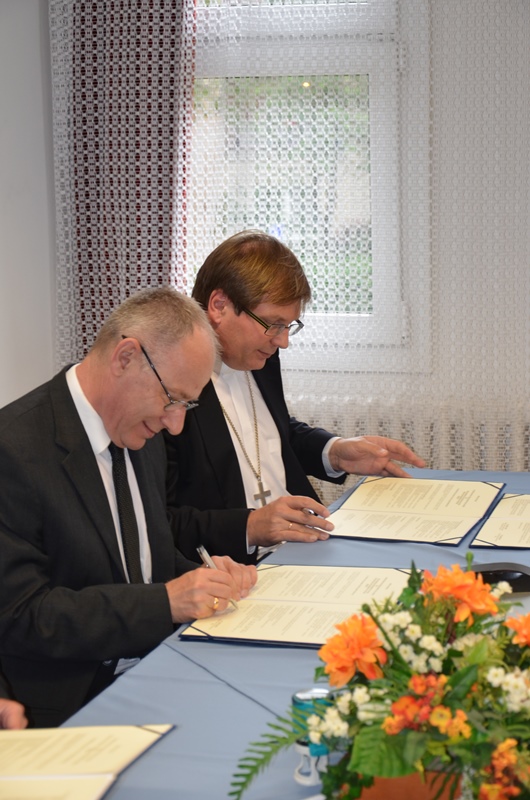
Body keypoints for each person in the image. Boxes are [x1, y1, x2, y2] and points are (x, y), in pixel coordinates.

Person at [0, 287, 257, 728]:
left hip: (160, 665)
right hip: (70, 706)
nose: (176, 425)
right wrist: (166, 603)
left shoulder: (139, 430)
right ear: (125, 358)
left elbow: (141, 561)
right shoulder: (14, 450)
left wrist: (204, 576)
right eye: (173, 399)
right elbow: (24, 616)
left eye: (187, 405)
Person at [165, 230, 425, 564]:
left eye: (289, 326)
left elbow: (270, 433)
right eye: (273, 324)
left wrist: (335, 453)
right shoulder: (168, 389)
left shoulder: (260, 353)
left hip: (305, 546)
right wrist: (249, 526)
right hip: (233, 569)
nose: (283, 342)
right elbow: (160, 522)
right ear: (220, 306)